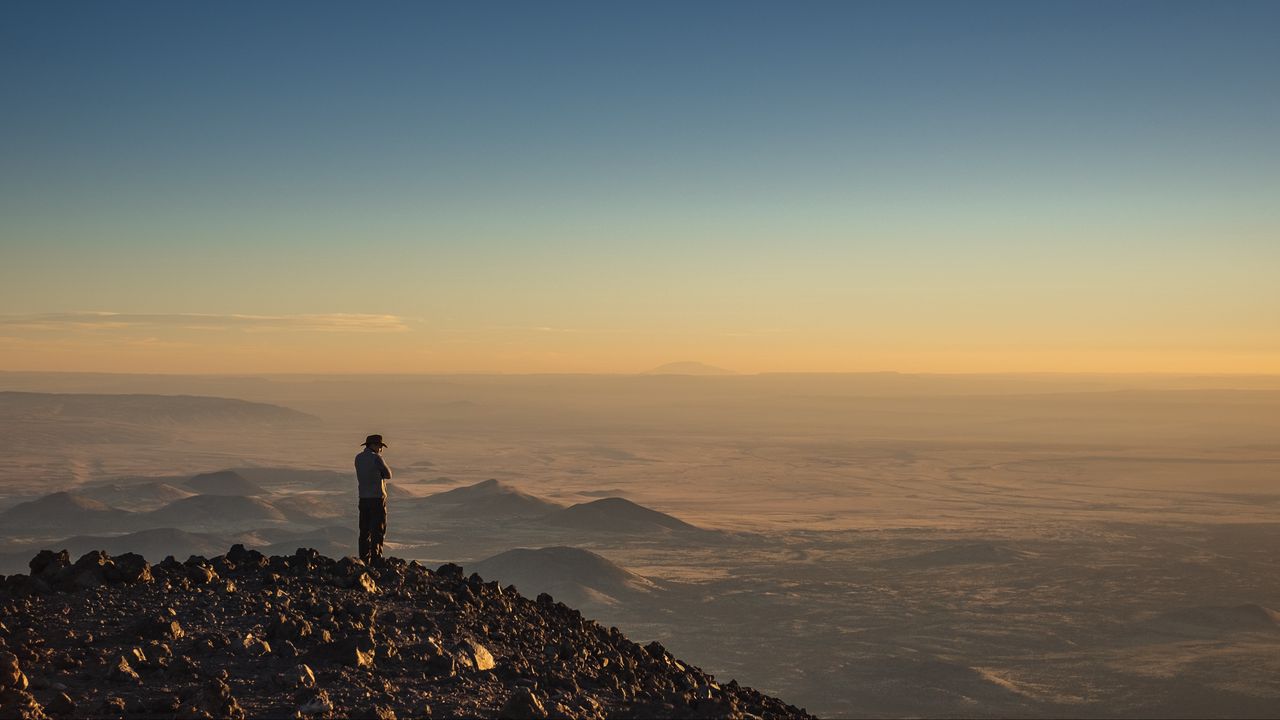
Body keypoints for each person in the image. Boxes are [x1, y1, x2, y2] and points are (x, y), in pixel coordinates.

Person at [354, 434, 392, 564]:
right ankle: (376, 559)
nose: (381, 449)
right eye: (380, 446)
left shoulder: (358, 458)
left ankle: (363, 559)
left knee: (364, 530)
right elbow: (388, 474)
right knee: (378, 530)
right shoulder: (376, 458)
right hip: (377, 498)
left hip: (363, 498)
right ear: (374, 445)